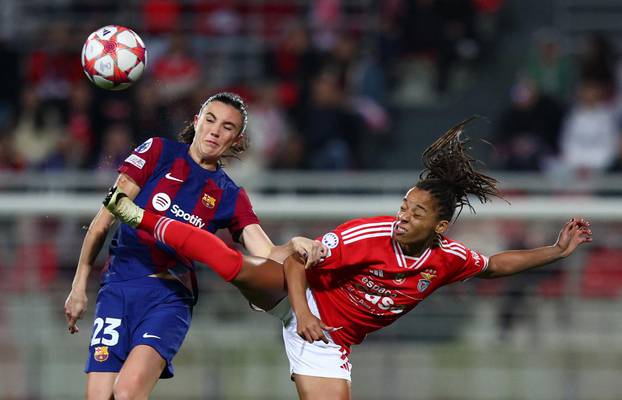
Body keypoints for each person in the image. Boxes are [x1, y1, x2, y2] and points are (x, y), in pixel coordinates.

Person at [103, 118, 592, 400]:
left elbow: (495, 264)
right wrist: (301, 312)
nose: (402, 216)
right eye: (403, 205)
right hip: (301, 296)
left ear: (440, 228)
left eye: (415, 213)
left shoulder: (448, 259)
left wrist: (555, 250)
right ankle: (135, 212)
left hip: (331, 340)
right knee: (233, 264)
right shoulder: (367, 235)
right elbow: (296, 264)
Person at [63, 91, 325, 400]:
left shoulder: (229, 194)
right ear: (197, 121)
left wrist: (294, 244)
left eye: (227, 127)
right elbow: (103, 220)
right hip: (117, 289)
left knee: (126, 394)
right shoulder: (158, 152)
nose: (215, 130)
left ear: (237, 140)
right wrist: (78, 286)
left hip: (168, 299)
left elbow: (266, 254)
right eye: (210, 120)